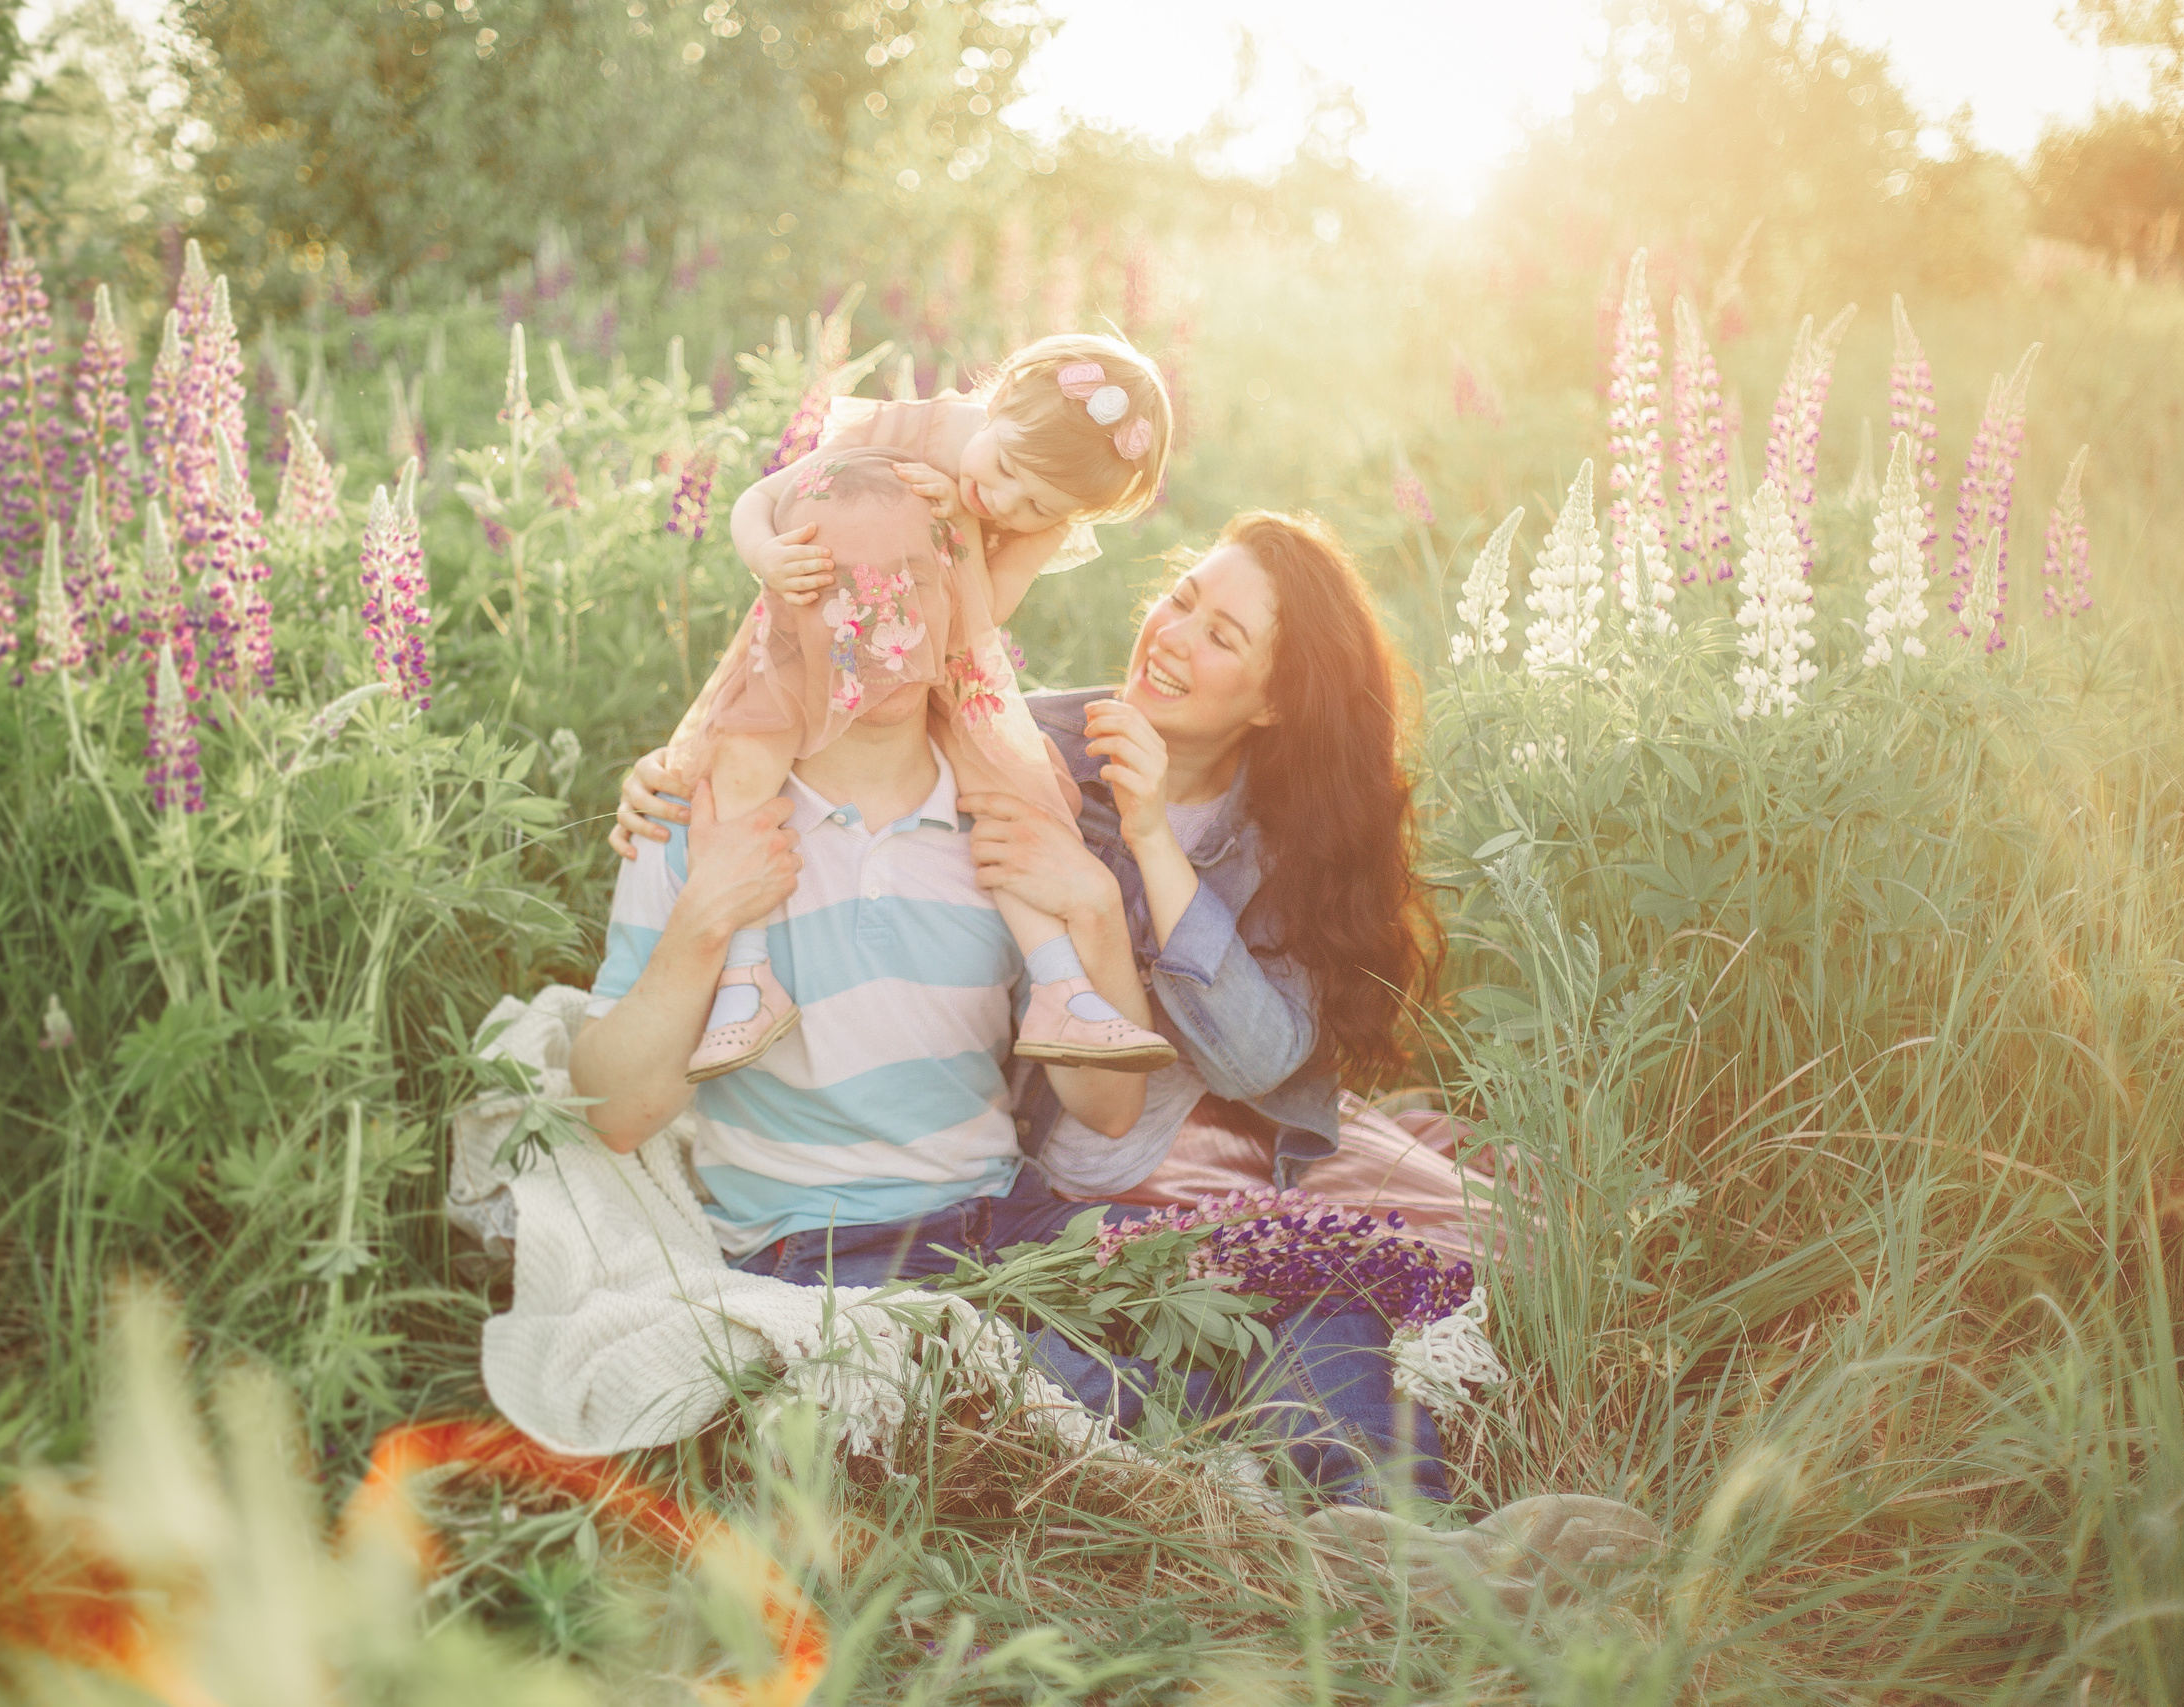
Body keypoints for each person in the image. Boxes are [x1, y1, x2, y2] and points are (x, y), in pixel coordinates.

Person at [568, 644, 1452, 1506]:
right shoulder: (700, 812)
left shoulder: (1001, 810)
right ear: (790, 604)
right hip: (824, 1249)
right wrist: (706, 919)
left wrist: (1096, 909)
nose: (877, 624)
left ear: (953, 605)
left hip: (1006, 1215)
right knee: (1072, 1388)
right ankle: (1268, 1470)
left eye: (906, 584)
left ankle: (1399, 1537)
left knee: (1303, 1268)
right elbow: (615, 1114)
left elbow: (1106, 1108)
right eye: (844, 584)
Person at [619, 511, 1503, 1259]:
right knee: (1355, 1264)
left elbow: (1260, 1061)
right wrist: (680, 762)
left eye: (1221, 637)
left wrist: (1151, 836)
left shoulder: (1282, 834)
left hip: (1224, 1128)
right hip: (1087, 1148)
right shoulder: (1032, 746)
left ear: (1271, 705)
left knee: (1474, 1244)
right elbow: (874, 684)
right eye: (1181, 598)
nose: (1173, 635)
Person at [667, 332, 1181, 1086]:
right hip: (828, 628)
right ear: (997, 401)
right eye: (1004, 468)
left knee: (1013, 799)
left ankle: (1062, 992)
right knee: (739, 767)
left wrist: (965, 529)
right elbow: (763, 498)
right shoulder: (909, 428)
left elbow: (989, 607)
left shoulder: (1044, 514)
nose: (1006, 501)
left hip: (944, 658)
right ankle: (747, 978)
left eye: (1036, 504)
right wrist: (765, 555)